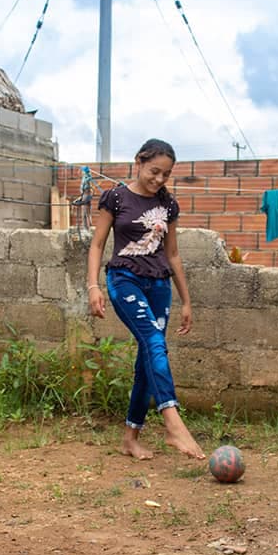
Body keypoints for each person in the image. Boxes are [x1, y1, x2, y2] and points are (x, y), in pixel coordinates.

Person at [86, 138, 205, 461]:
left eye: (166, 175)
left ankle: (130, 437)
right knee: (155, 342)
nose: (159, 180)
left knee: (147, 358)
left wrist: (187, 301)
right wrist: (93, 286)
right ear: (139, 161)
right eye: (154, 171)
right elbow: (97, 244)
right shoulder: (115, 197)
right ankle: (172, 422)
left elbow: (174, 254)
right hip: (124, 280)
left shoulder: (168, 205)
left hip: (159, 287)